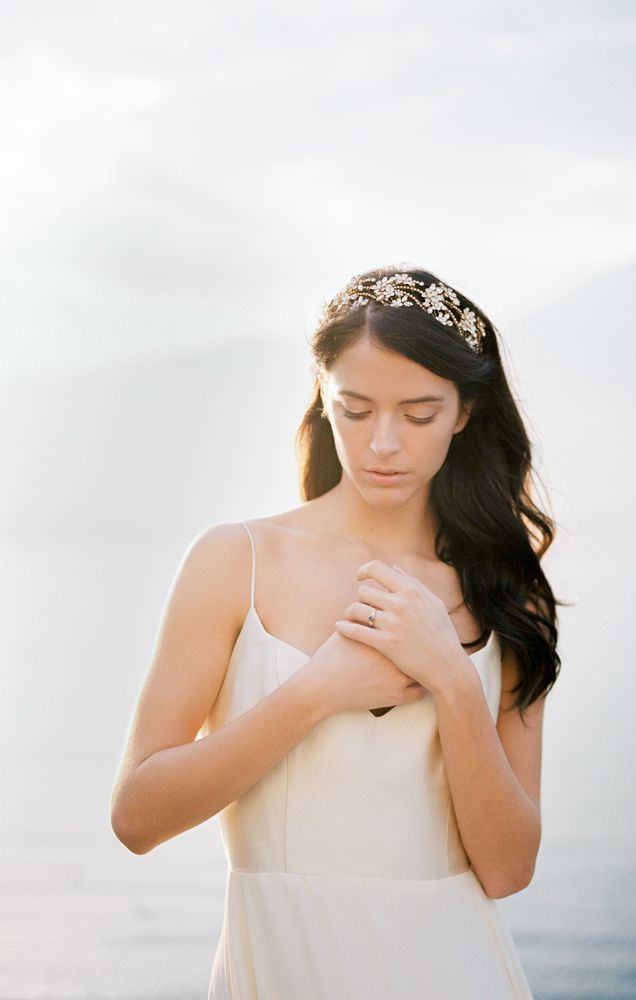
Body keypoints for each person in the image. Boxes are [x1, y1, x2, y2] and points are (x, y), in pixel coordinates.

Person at [110, 264, 562, 999]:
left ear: (465, 411)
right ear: (323, 398)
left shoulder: (510, 597)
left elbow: (509, 870)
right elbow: (136, 817)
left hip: (458, 970)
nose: (385, 443)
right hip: (284, 967)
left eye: (419, 414)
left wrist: (450, 677)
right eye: (355, 409)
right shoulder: (236, 562)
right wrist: (316, 691)